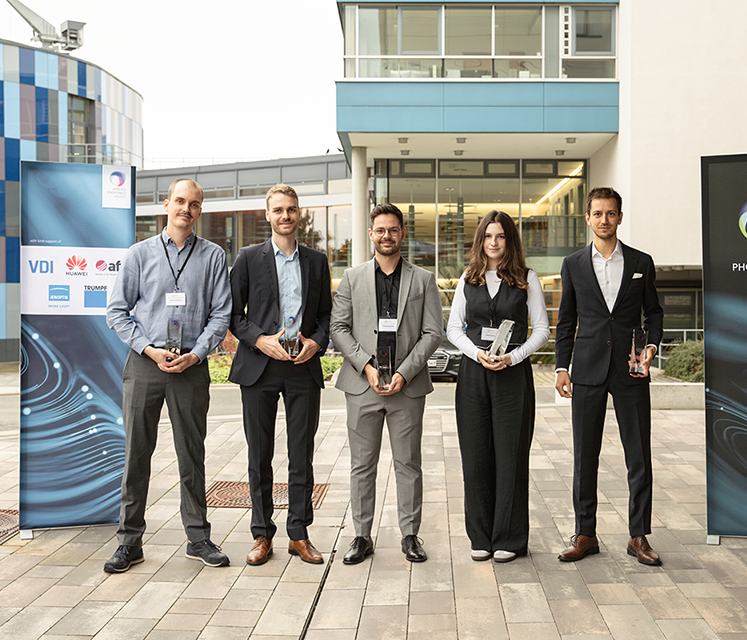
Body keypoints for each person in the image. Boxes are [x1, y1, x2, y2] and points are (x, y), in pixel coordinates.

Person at [105, 178, 232, 572]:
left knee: (191, 455)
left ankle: (198, 538)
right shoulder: (139, 254)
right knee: (136, 453)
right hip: (145, 364)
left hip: (190, 368)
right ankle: (130, 542)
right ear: (166, 204)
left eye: (194, 204)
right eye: (180, 201)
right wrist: (148, 348)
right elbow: (116, 312)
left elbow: (222, 314)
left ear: (200, 210)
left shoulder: (213, 256)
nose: (186, 209)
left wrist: (195, 355)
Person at [554, 187, 664, 566]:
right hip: (586, 369)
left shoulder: (641, 262)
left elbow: (655, 313)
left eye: (611, 213)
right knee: (585, 456)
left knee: (639, 456)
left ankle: (639, 536)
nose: (604, 220)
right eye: (597, 213)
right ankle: (585, 533)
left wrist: (650, 348)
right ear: (588, 218)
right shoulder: (573, 264)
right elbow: (566, 320)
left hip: (632, 369)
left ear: (620, 217)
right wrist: (561, 366)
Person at [330, 203, 443, 564]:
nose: (386, 236)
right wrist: (365, 366)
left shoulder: (422, 280)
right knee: (362, 465)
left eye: (393, 230)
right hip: (363, 385)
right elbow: (338, 329)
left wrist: (403, 372)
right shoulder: (352, 277)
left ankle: (410, 535)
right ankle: (361, 536)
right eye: (380, 230)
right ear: (370, 234)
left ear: (402, 234)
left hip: (405, 387)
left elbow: (432, 332)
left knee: (408, 463)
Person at [228, 184, 332, 566]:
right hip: (259, 368)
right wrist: (260, 341)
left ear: (299, 213)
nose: (285, 216)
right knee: (260, 454)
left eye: (291, 209)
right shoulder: (248, 258)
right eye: (278, 210)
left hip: (302, 367)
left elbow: (325, 317)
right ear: (267, 215)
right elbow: (233, 315)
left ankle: (299, 534)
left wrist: (315, 343)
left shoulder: (317, 261)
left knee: (301, 454)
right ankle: (261, 534)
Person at [446, 210, 550, 563]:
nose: (494, 242)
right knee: (475, 458)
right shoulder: (468, 279)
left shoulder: (527, 278)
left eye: (501, 236)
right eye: (488, 236)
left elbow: (542, 330)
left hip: (512, 378)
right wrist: (477, 354)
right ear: (480, 240)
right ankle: (480, 536)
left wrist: (514, 357)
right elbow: (453, 329)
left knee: (510, 458)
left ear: (510, 240)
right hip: (474, 377)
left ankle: (510, 537)